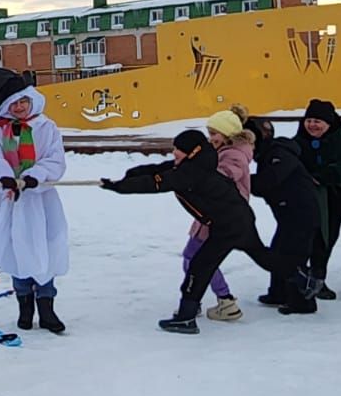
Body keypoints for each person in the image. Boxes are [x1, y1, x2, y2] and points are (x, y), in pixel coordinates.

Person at [102, 129, 288, 334]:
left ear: (193, 151)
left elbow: (158, 183)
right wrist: (130, 176)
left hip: (229, 226)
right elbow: (159, 170)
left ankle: (186, 317)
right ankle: (303, 280)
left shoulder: (192, 172)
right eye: (175, 148)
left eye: (179, 150)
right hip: (237, 220)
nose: (175, 153)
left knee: (199, 267)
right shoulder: (195, 164)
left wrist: (120, 187)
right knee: (263, 258)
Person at [0, 72, 69, 334]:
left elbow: (55, 160)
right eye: (13, 105)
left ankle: (47, 309)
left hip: (40, 201)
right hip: (10, 200)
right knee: (17, 252)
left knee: (44, 252)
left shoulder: (47, 128)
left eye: (22, 102)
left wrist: (35, 176)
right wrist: (4, 177)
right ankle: (25, 307)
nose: (19, 108)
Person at [177, 106, 254, 322]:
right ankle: (209, 300)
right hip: (212, 216)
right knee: (198, 259)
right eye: (209, 133)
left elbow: (225, 176)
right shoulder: (225, 152)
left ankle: (223, 300)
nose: (211, 138)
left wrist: (197, 174)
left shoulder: (234, 156)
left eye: (214, 134)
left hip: (219, 218)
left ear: (228, 134)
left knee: (195, 259)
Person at [246, 117, 325, 314]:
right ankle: (278, 293)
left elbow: (269, 181)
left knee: (293, 254)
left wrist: (242, 181)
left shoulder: (278, 154)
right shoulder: (269, 154)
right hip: (289, 213)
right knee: (280, 250)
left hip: (300, 213)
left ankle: (302, 301)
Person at [294, 99, 341, 296]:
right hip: (319, 199)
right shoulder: (300, 140)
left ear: (329, 123)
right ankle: (316, 279)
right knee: (322, 238)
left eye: (318, 121)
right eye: (309, 120)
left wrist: (328, 175)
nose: (312, 125)